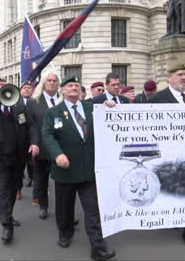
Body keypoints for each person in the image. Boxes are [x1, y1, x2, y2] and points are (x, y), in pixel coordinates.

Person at [42, 75, 115, 261]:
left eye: (76, 86)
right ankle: (65, 233)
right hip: (65, 169)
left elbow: (109, 123)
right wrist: (57, 154)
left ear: (81, 91)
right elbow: (48, 135)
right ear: (63, 90)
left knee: (92, 210)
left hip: (88, 169)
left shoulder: (93, 109)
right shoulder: (53, 113)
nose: (73, 88)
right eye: (69, 86)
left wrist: (112, 108)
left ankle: (98, 249)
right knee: (64, 208)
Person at [149, 62, 185, 250]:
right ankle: (173, 217)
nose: (183, 77)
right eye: (179, 74)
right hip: (170, 155)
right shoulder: (158, 99)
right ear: (169, 77)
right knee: (172, 189)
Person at [0, 77, 39, 244]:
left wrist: (34, 143)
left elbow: (31, 125)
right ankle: (6, 226)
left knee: (13, 189)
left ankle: (8, 215)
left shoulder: (19, 105)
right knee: (3, 190)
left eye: (2, 85)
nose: (0, 87)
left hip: (17, 156)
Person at [26, 72, 61, 218]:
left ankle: (63, 211)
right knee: (41, 180)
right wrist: (34, 143)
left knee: (63, 182)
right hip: (41, 146)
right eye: (49, 80)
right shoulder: (34, 101)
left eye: (54, 81)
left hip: (60, 148)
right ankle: (43, 206)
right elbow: (31, 125)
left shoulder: (63, 100)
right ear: (44, 83)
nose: (52, 83)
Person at [16, 82, 35, 200]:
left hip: (34, 139)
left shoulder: (36, 102)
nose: (27, 90)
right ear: (20, 90)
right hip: (21, 140)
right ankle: (18, 189)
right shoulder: (16, 103)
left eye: (29, 88)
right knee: (19, 167)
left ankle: (34, 186)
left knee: (34, 165)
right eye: (24, 88)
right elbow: (19, 120)